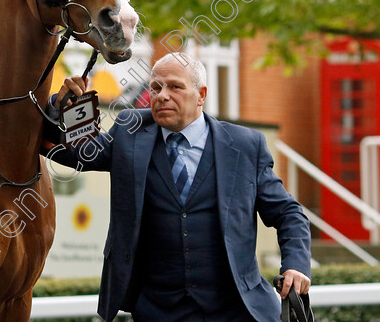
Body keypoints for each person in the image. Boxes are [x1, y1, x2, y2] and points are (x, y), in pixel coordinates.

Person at [43, 52, 312, 322]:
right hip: (157, 310)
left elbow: (288, 212)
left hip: (237, 310)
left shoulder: (244, 145)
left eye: (175, 86)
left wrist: (296, 266)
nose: (162, 95)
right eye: (156, 87)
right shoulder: (129, 132)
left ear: (201, 95)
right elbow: (74, 151)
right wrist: (61, 106)